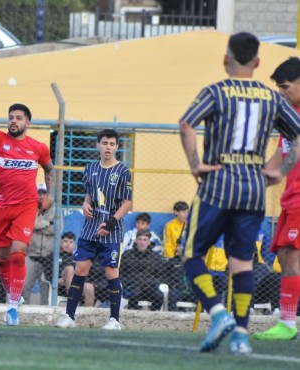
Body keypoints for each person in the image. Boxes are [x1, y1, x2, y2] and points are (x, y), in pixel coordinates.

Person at [178, 32, 300, 354]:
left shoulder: (216, 92)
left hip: (219, 182)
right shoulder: (271, 98)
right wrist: (280, 171)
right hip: (254, 187)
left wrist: (196, 166)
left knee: (191, 254)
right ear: (258, 62)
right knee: (242, 263)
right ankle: (241, 338)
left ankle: (218, 313)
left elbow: (187, 124)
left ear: (225, 60)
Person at [0, 98, 54, 326]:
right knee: (2, 258)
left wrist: (50, 195)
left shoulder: (38, 148)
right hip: (1, 206)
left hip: (26, 206)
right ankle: (14, 296)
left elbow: (49, 170)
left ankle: (12, 307)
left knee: (18, 253)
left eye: (18, 118)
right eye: (11, 117)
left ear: (28, 122)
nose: (13, 121)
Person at [55, 129, 132, 330]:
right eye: (104, 143)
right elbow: (90, 194)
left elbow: (127, 203)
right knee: (80, 270)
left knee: (111, 273)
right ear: (97, 145)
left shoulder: (122, 171)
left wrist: (111, 223)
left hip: (111, 231)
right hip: (89, 229)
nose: (108, 147)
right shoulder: (90, 168)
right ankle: (69, 317)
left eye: (112, 144)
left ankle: (115, 320)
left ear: (117, 147)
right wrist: (85, 204)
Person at [255, 56, 300, 340]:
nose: (281, 93)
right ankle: (287, 322)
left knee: (292, 256)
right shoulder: (289, 117)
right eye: (278, 88)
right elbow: (278, 159)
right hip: (291, 197)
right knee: (285, 256)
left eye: (285, 87)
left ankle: (287, 324)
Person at [22, 185, 57, 305]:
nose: (41, 196)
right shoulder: (30, 209)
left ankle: (45, 312)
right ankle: (23, 311)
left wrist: (38, 225)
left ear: (48, 196)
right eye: (39, 193)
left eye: (44, 193)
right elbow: (30, 225)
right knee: (25, 286)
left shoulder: (56, 211)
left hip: (48, 257)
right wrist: (48, 223)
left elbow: (58, 229)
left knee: (45, 288)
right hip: (31, 254)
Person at [120, 229, 169, 311]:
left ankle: (153, 316)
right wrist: (131, 281)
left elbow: (161, 275)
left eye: (145, 240)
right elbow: (121, 273)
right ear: (135, 241)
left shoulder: (156, 257)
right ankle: (133, 316)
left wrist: (151, 282)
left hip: (150, 287)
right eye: (139, 239)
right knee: (135, 293)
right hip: (131, 286)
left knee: (159, 295)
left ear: (149, 242)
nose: (142, 242)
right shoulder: (127, 255)